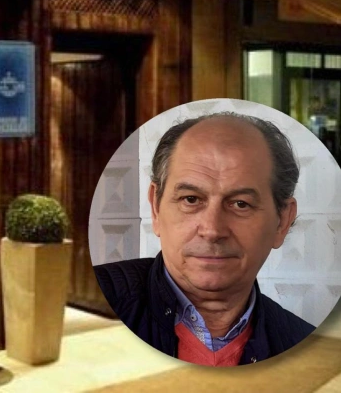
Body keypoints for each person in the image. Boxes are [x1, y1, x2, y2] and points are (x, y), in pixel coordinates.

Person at [94, 112, 315, 366]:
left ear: (282, 221)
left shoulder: (306, 348)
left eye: (241, 204)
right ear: (156, 207)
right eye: (191, 199)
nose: (212, 230)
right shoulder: (90, 309)